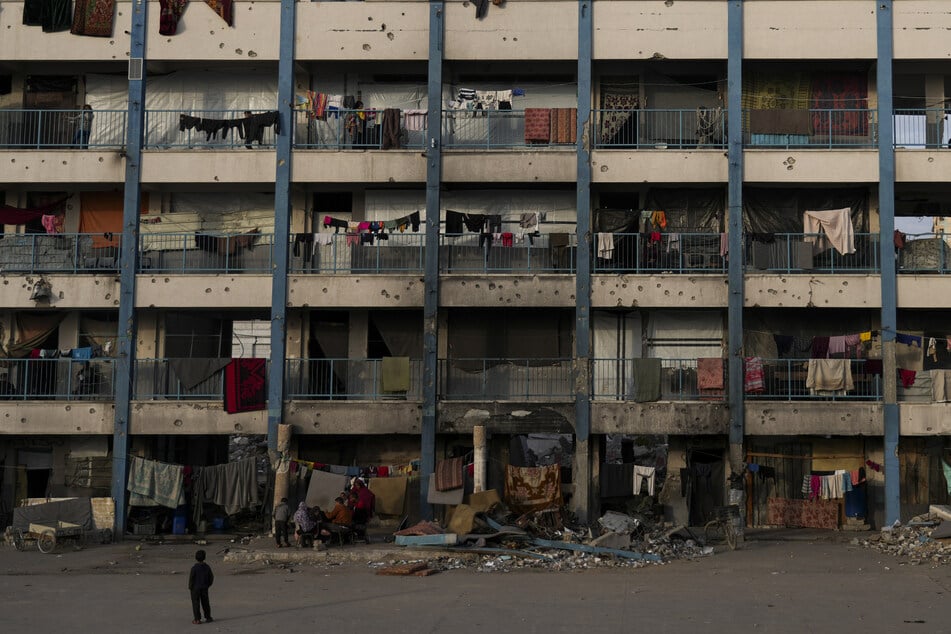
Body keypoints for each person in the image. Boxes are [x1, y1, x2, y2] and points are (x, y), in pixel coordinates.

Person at [188, 549, 214, 625]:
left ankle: (197, 619)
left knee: (196, 603)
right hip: (204, 588)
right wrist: (208, 585)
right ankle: (208, 617)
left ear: (196, 558)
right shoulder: (207, 567)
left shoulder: (194, 568)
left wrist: (190, 587)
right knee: (205, 603)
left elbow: (191, 579)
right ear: (204, 557)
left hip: (195, 588)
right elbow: (211, 577)